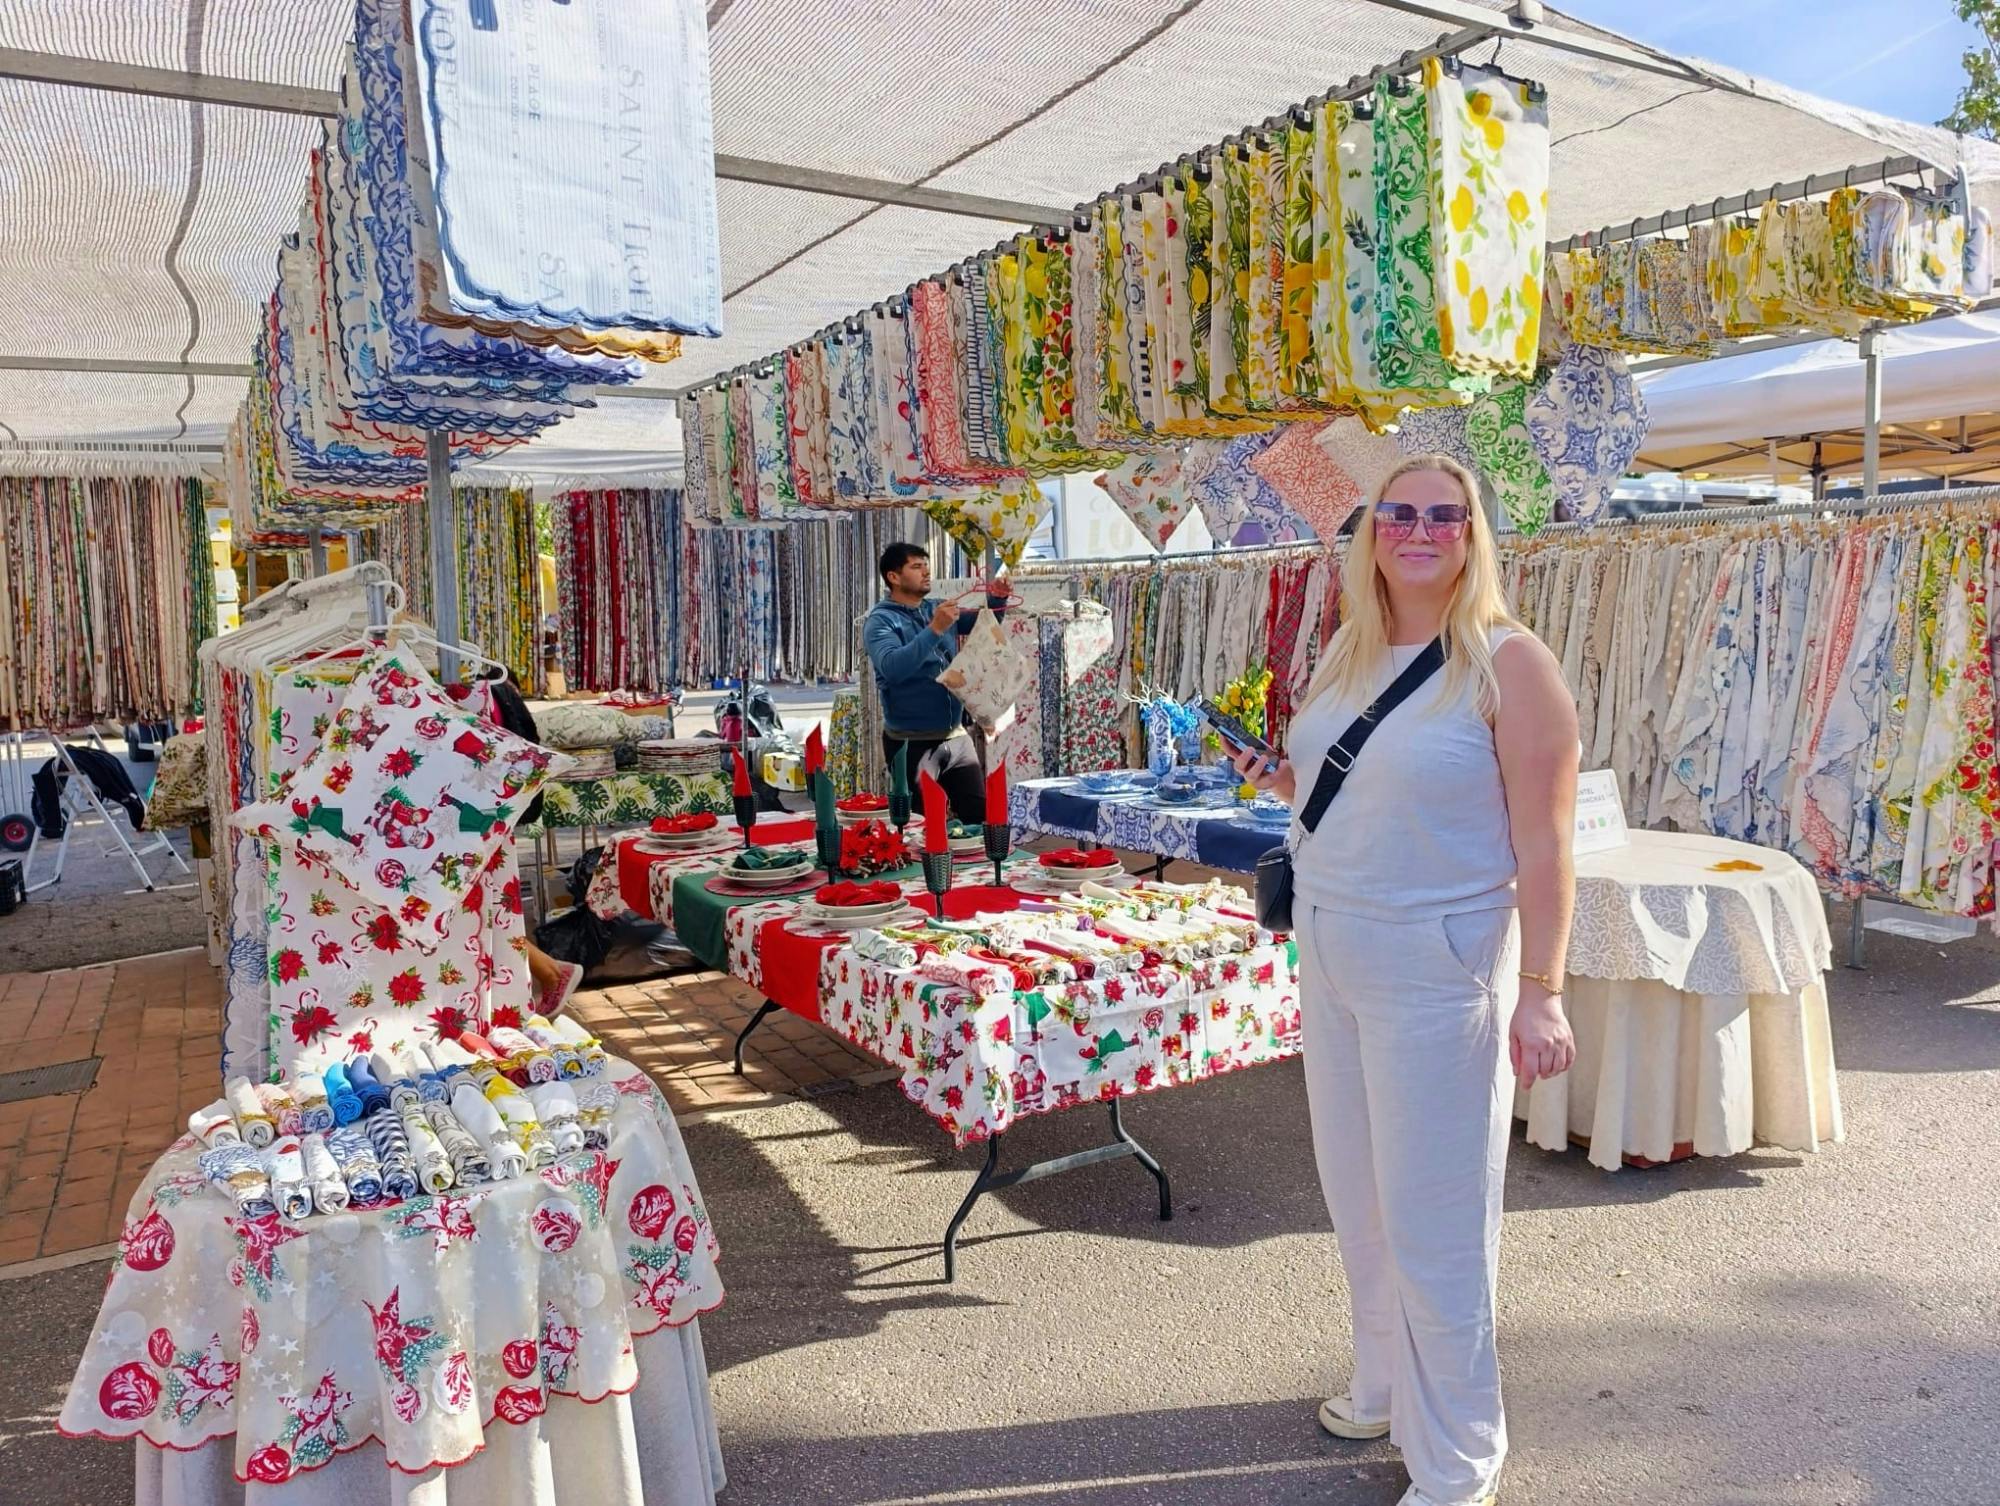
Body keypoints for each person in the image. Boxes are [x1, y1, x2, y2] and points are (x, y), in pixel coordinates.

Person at [1232, 455, 1578, 1506]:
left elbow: (1548, 843)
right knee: (1360, 1196)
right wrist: (1282, 779)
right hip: (1332, 944)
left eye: (1444, 514)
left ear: (1472, 535)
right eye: (1398, 513)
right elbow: (1360, 780)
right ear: (1370, 531)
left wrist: (1544, 987)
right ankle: (1383, 1382)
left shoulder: (1510, 662)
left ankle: (1458, 1456)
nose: (1418, 530)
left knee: (1434, 1217)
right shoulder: (1349, 649)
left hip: (1440, 959)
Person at [862, 542, 990, 824]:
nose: (926, 571)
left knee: (979, 822)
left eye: (926, 565)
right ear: (893, 577)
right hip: (910, 744)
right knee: (921, 829)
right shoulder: (880, 622)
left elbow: (985, 622)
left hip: (956, 738)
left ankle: (977, 869)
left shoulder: (936, 607)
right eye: (916, 566)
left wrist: (998, 602)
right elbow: (893, 668)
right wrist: (935, 629)